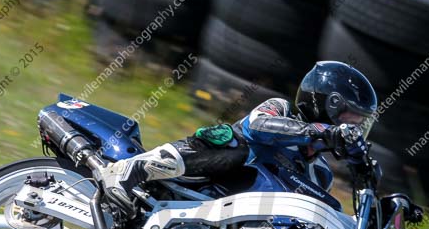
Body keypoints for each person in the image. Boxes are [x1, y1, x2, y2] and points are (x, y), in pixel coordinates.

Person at [100, 61, 379, 215]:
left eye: (359, 123)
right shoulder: (280, 109)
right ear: (328, 105)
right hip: (203, 183)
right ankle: (132, 170)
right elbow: (257, 126)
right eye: (351, 118)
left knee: (330, 208)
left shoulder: (320, 174)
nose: (353, 128)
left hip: (234, 217)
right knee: (232, 142)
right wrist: (324, 132)